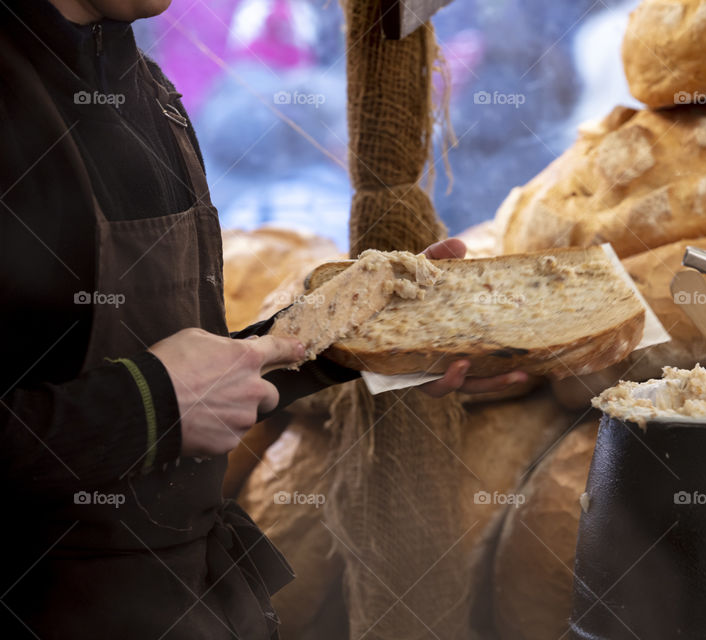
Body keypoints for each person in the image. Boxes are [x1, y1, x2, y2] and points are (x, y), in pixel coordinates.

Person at [0, 0, 527, 637]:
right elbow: (166, 392)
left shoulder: (149, 90)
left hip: (186, 594)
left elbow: (204, 373)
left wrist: (373, 339)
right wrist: (150, 405)